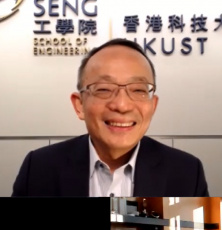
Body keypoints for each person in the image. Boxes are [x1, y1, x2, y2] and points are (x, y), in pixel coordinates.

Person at [12, 38, 209, 197]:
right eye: (104, 89)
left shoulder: (187, 172)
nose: (122, 105)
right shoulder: (38, 168)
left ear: (152, 105)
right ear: (79, 104)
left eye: (138, 89)